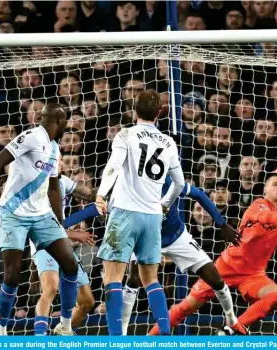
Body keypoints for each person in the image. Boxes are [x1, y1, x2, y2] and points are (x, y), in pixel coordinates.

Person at [148, 172, 277, 335]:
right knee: (186, 307)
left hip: (253, 275)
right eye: (276, 184)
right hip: (226, 267)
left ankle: (231, 329)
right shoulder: (258, 206)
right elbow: (274, 217)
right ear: (265, 189)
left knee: (276, 297)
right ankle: (148, 339)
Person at [0, 103, 80, 336]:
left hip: (41, 215)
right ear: (59, 121)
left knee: (70, 265)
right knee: (12, 275)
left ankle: (65, 326)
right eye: (65, 121)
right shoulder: (31, 137)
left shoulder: (54, 149)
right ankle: (1, 328)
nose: (67, 126)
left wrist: (61, 223)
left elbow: (54, 189)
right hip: (12, 214)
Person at [94, 90, 186, 336]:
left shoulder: (125, 134)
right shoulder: (168, 142)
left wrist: (101, 195)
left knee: (112, 277)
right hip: (153, 217)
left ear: (134, 110)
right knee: (150, 279)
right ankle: (165, 332)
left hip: (124, 213)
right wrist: (164, 203)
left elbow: (113, 166)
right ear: (159, 113)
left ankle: (116, 339)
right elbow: (179, 183)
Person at [122, 177, 241, 335]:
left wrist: (222, 224)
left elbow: (199, 194)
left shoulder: (168, 182)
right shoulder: (130, 188)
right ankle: (120, 335)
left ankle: (232, 321)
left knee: (215, 278)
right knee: (133, 278)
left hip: (177, 237)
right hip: (145, 239)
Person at [32, 174, 97, 335]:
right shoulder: (33, 184)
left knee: (86, 302)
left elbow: (90, 195)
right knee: (50, 288)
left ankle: (61, 336)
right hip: (43, 244)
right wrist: (72, 234)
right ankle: (39, 337)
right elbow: (38, 224)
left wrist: (109, 190)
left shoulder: (63, 181)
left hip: (62, 244)